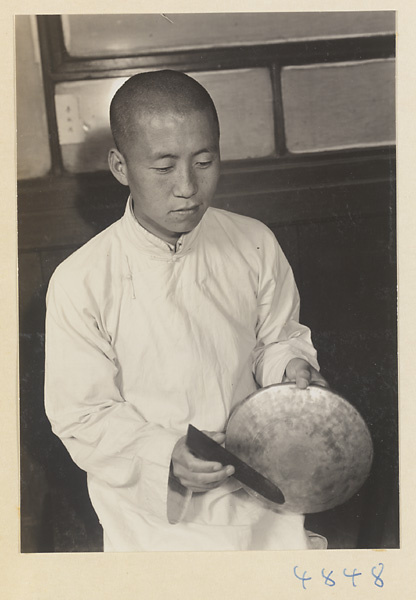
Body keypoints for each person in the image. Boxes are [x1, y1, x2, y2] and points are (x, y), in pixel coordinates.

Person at [44, 69, 327, 552]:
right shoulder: (81, 280)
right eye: (164, 167)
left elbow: (276, 339)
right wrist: (166, 456)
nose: (188, 187)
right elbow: (83, 415)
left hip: (260, 489)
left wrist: (293, 367)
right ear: (120, 166)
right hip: (151, 517)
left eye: (204, 161)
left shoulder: (253, 242)